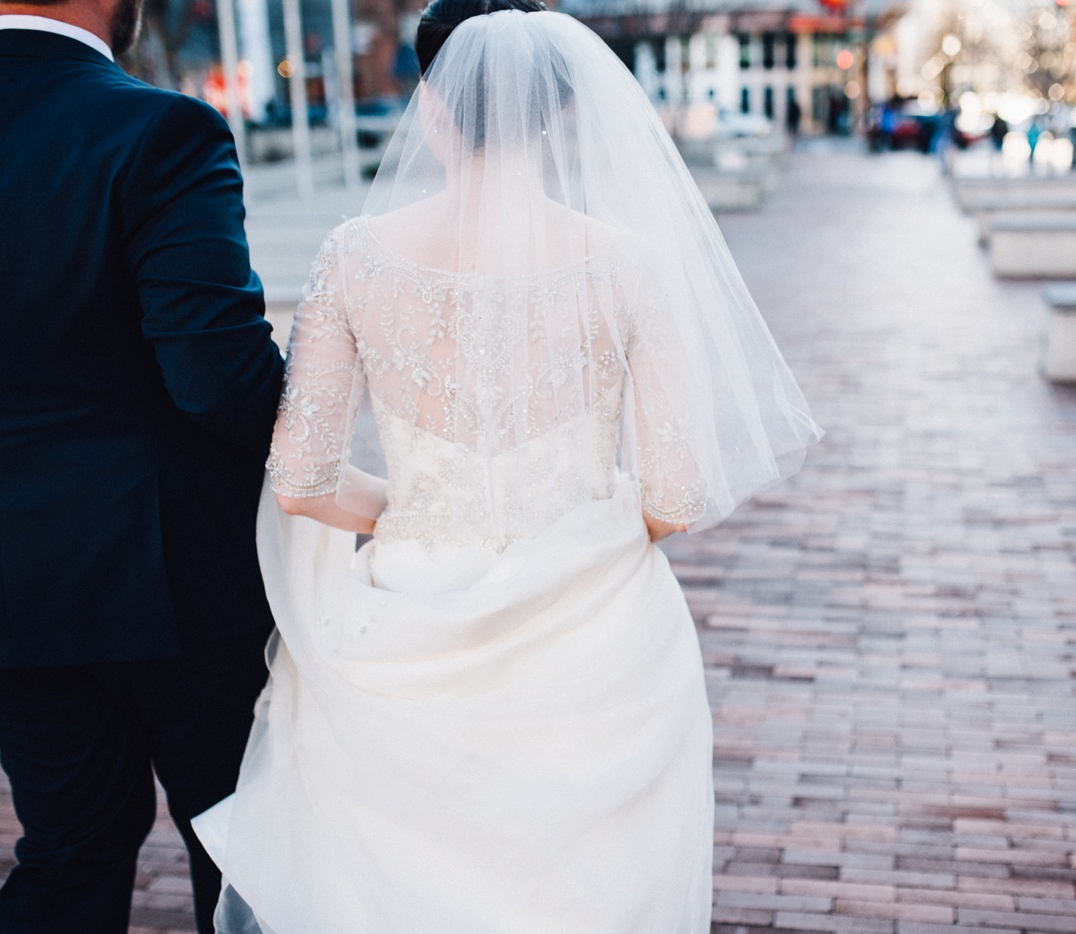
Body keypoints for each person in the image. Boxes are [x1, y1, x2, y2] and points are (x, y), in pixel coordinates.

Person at [192, 2, 822, 931]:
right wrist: (576, 525)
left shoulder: (353, 257)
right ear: (557, 115)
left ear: (431, 109)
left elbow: (302, 482)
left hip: (407, 619)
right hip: (596, 633)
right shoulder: (630, 264)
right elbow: (678, 498)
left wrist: (413, 511)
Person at [0, 0, 285, 930]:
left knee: (68, 850)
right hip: (175, 582)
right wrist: (315, 439)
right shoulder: (162, 129)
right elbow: (216, 373)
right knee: (241, 845)